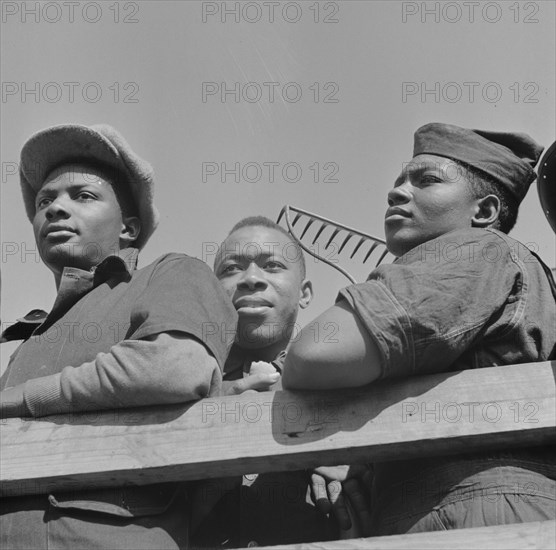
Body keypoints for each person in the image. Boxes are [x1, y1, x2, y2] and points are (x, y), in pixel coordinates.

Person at [283, 122, 556, 535]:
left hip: (472, 515)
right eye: (398, 181)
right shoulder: (518, 271)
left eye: (427, 180)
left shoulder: (477, 248)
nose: (397, 191)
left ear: (483, 212)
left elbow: (314, 354)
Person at [0, 123, 237, 549]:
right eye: (44, 201)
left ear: (128, 227)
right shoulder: (28, 342)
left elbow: (174, 367)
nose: (55, 209)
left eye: (83, 196)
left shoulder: (170, 274)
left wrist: (18, 399)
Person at [192, 216, 369, 547]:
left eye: (272, 266)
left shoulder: (345, 380)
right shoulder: (185, 383)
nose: (252, 279)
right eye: (232, 269)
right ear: (213, 294)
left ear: (305, 294)